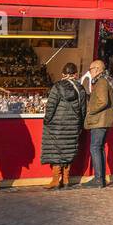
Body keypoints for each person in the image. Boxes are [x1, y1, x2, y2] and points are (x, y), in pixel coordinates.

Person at [41, 62, 85, 190]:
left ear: (63, 74)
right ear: (75, 74)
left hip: (57, 125)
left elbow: (50, 106)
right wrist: (80, 125)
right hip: (73, 125)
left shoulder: (57, 87)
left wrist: (47, 120)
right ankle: (66, 179)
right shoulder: (80, 88)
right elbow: (83, 109)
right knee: (68, 149)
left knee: (56, 151)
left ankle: (56, 180)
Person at [82, 59, 113, 189]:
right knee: (99, 148)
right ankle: (99, 178)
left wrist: (90, 109)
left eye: (90, 69)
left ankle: (98, 179)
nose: (89, 72)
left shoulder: (101, 82)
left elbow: (102, 101)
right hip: (103, 121)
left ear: (97, 69)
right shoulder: (104, 81)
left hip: (99, 121)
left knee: (95, 148)